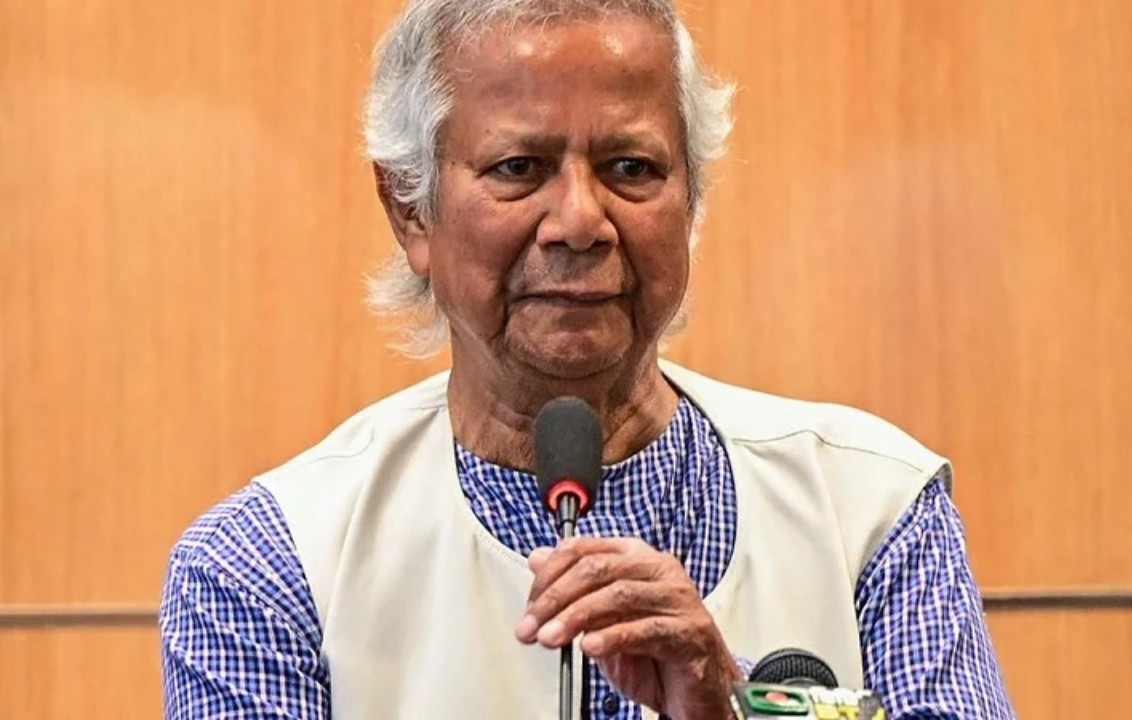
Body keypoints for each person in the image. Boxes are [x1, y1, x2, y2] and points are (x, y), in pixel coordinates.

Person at [159, 0, 1014, 718]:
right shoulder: (268, 565)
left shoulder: (872, 510)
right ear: (411, 208)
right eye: (519, 167)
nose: (579, 221)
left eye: (630, 167)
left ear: (692, 200)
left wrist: (726, 709)